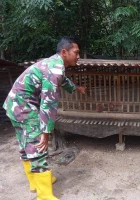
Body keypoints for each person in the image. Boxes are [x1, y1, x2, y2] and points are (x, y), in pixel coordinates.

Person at [3, 36, 86, 200]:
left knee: (26, 144)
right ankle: (45, 196)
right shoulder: (54, 70)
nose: (78, 56)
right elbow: (48, 104)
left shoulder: (54, 64)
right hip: (24, 108)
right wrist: (46, 132)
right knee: (38, 147)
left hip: (13, 106)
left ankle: (35, 184)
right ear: (64, 52)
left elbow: (63, 80)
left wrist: (77, 88)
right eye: (76, 52)